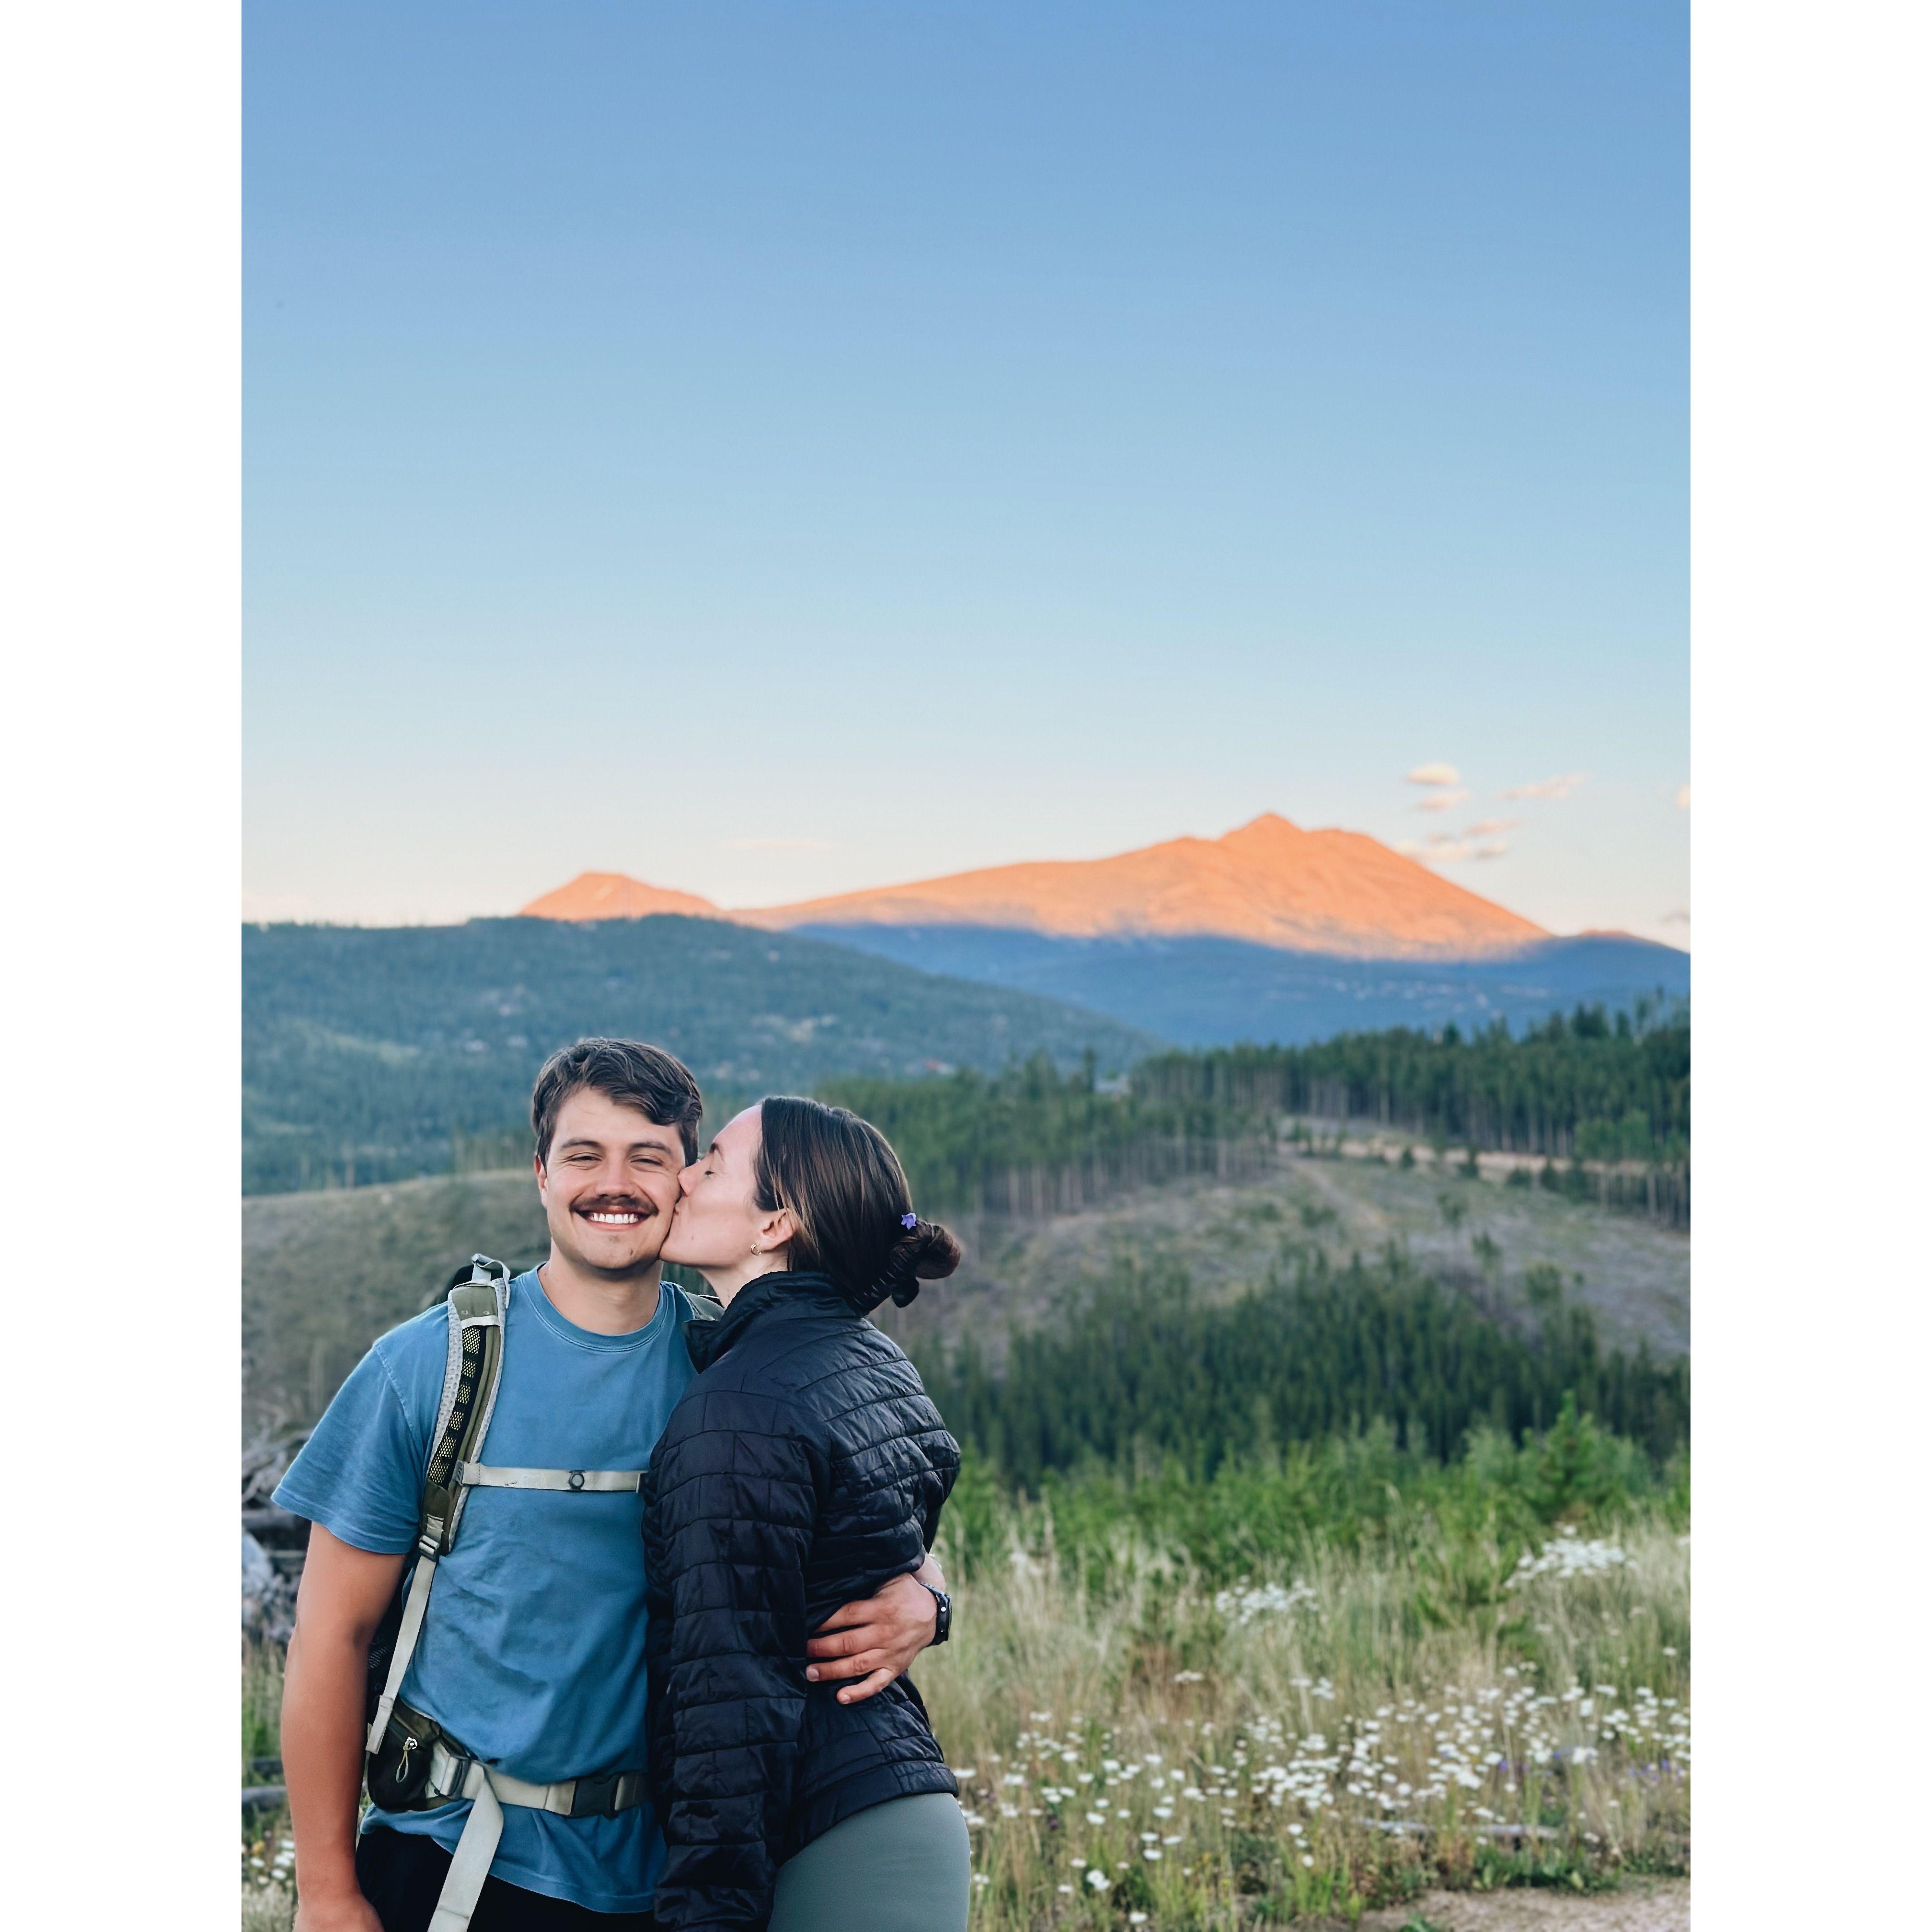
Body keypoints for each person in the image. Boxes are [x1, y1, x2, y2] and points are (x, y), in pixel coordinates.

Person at [276, 1041, 947, 1932]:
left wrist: (928, 1600)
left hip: (663, 1872)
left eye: (651, 1158)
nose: (615, 1183)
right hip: (451, 1864)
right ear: (541, 1173)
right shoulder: (430, 1366)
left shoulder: (734, 1370)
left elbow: (873, 1524)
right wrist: (327, 1894)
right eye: (585, 1156)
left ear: (687, 1182)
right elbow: (330, 1632)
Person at [645, 1096, 971, 1932]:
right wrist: (931, 1603)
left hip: (827, 1837)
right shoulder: (874, 1362)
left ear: (774, 1225)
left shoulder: (741, 1404)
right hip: (898, 1804)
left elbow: (732, 1702)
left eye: (712, 1163)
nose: (683, 1176)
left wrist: (706, 1917)